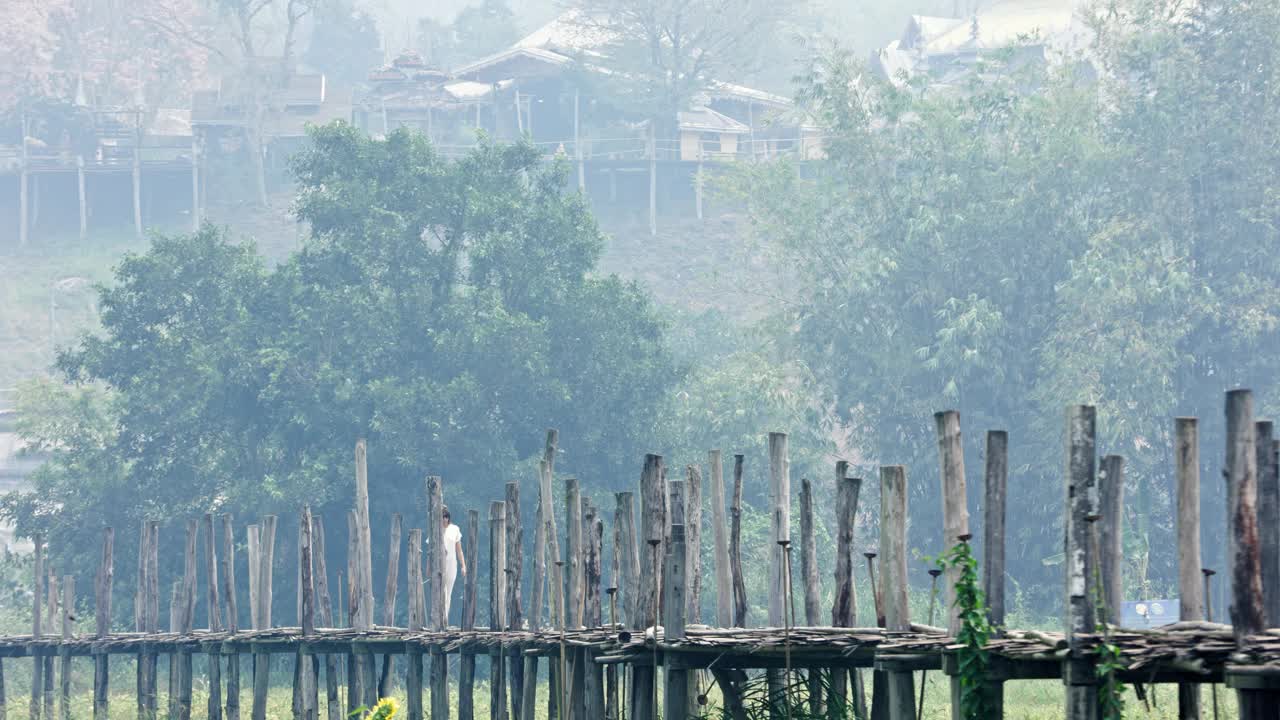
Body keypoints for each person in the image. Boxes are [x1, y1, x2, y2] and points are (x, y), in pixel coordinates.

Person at [442, 506, 466, 622]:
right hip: (438, 565)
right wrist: (428, 567)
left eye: (445, 517)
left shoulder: (455, 529)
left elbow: (459, 550)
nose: (444, 519)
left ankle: (445, 618)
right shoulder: (435, 530)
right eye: (442, 517)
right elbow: (429, 552)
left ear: (448, 518)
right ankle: (439, 618)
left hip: (451, 564)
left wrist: (463, 565)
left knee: (448, 592)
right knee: (440, 591)